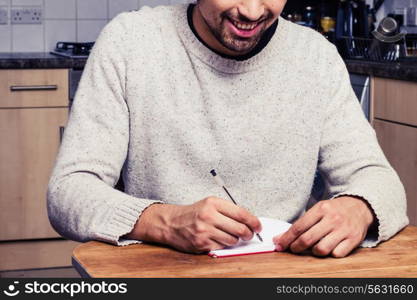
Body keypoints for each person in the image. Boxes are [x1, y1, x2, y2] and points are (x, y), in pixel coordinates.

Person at [47, 0, 408, 258]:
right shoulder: (129, 43)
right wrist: (165, 222)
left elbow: (378, 179)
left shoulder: (316, 57)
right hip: (160, 275)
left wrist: (358, 208)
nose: (252, 12)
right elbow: (68, 192)